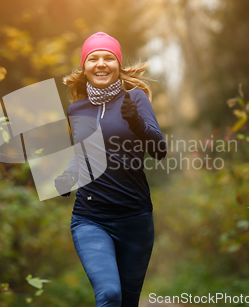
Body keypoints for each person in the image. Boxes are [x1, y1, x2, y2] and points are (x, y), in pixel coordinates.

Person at [55, 32, 167, 307]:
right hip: (91, 218)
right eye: (93, 58)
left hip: (135, 220)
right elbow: (82, 157)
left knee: (127, 303)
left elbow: (159, 151)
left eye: (108, 57)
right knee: (109, 295)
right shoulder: (76, 109)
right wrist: (67, 177)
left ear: (118, 64)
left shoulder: (136, 99)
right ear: (85, 67)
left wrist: (136, 122)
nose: (101, 63)